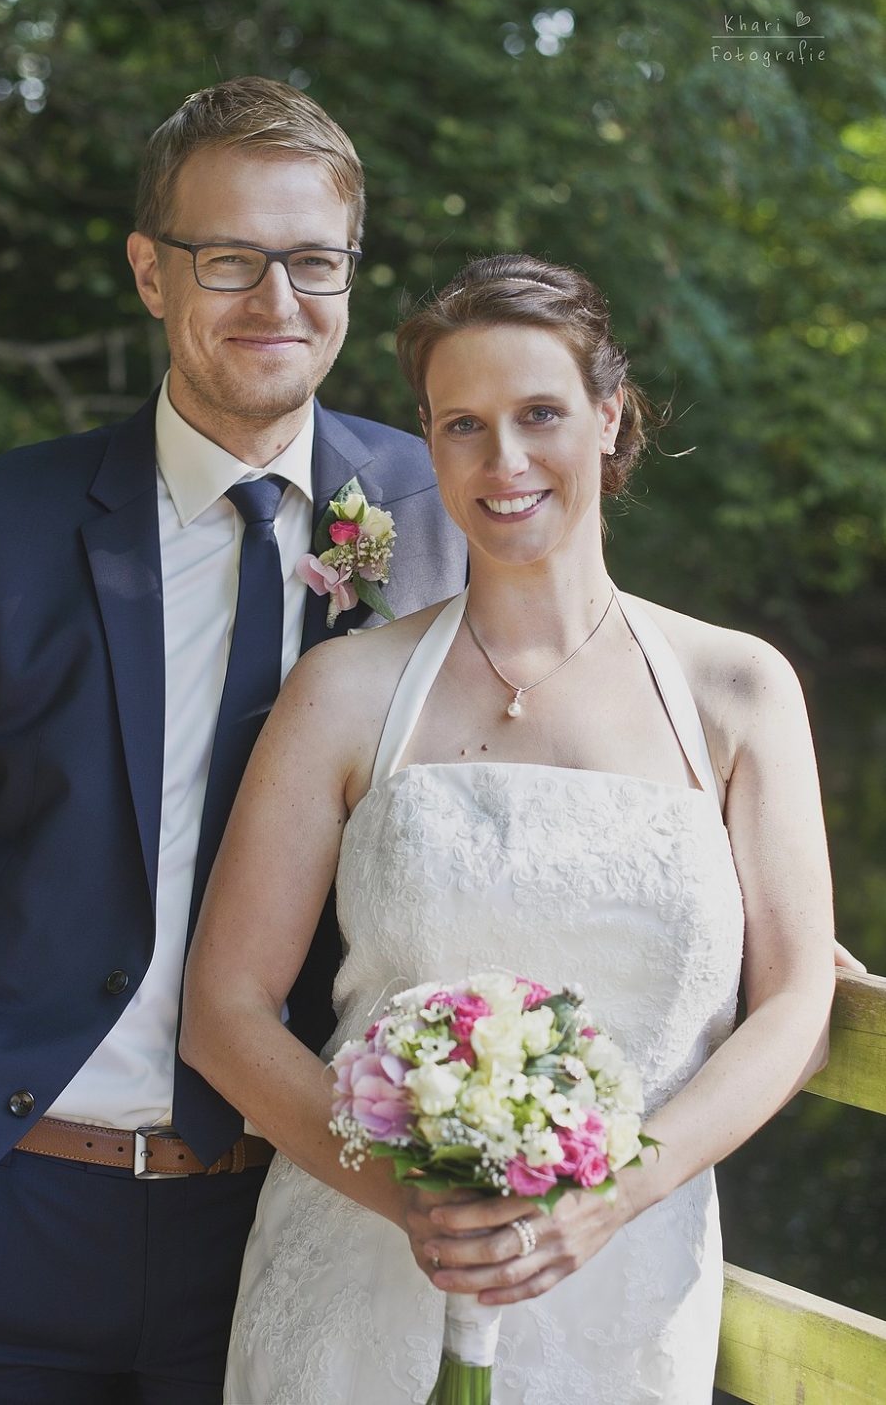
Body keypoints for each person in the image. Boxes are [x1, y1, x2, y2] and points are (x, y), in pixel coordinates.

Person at [181, 253, 839, 1403]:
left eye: (540, 414)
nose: (506, 461)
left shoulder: (739, 691)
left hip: (627, 1288)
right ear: (429, 445)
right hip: (359, 1280)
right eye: (464, 425)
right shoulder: (346, 690)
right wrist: (409, 1196)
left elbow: (795, 1004)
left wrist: (612, 1197)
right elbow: (224, 1010)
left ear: (609, 415)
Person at [0, 77, 466, 1402]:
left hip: (296, 1220)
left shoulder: (443, 514)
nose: (277, 299)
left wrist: (732, 894)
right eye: (229, 258)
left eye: (314, 260)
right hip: (1, 1206)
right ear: (150, 271)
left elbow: (570, 730)